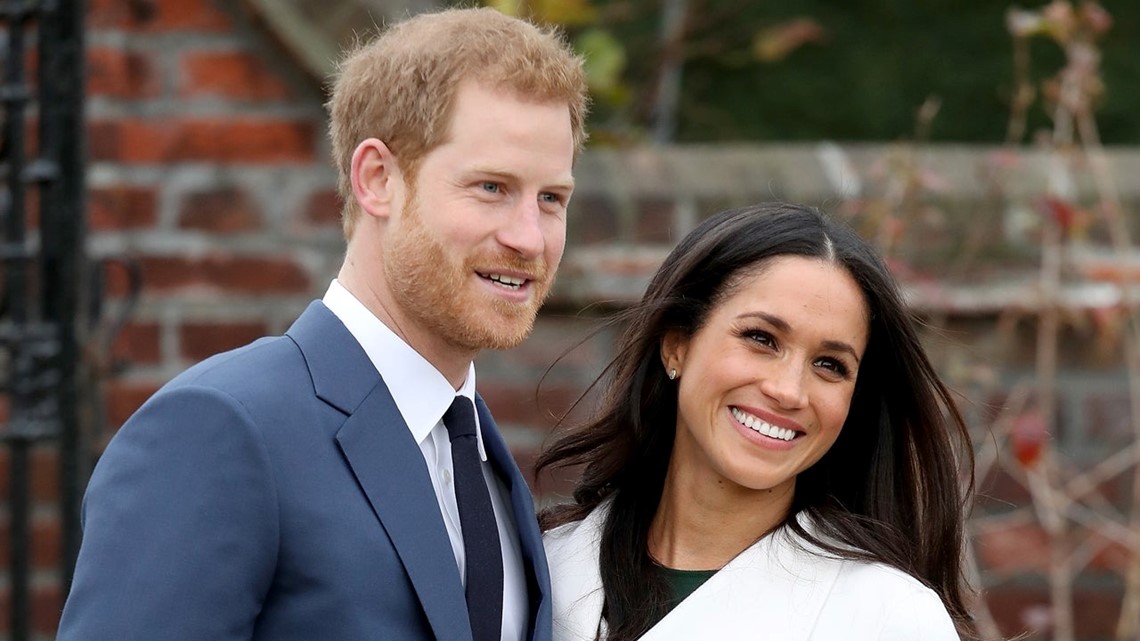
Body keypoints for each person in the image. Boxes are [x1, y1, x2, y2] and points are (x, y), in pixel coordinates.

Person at [58, 8, 588, 641]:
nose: (529, 236)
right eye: (492, 187)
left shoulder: (482, 457)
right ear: (377, 179)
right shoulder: (220, 428)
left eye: (551, 198)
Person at [537, 203, 977, 640]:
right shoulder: (541, 570)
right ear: (676, 345)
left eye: (829, 364)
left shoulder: (889, 618)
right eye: (761, 339)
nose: (788, 390)